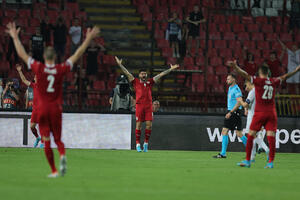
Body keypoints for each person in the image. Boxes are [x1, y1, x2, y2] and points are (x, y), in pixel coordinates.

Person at [5, 21, 100, 177]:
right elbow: (76, 56)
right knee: (58, 139)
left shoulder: (39, 68)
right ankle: (62, 155)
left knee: (46, 140)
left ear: (44, 57)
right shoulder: (60, 69)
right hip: (56, 109)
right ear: (55, 57)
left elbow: (22, 54)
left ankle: (54, 170)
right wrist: (88, 39)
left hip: (42, 109)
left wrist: (15, 37)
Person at [226, 60, 300, 168]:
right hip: (271, 113)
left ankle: (248, 160)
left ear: (260, 73)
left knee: (251, 135)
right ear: (268, 73)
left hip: (260, 112)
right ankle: (270, 162)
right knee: (271, 137)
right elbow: (284, 76)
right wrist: (296, 70)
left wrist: (236, 67)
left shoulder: (258, 82)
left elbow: (245, 74)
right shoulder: (273, 81)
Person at [115, 56, 179, 152]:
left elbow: (161, 75)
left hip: (148, 106)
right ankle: (137, 144)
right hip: (139, 105)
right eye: (142, 74)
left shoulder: (150, 82)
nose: (144, 75)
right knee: (139, 125)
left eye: (145, 74)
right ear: (139, 75)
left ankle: (145, 143)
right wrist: (120, 65)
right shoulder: (135, 81)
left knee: (149, 125)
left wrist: (170, 69)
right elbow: (127, 73)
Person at [213, 73, 248, 158]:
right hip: (234, 112)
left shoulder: (236, 89)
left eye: (228, 79)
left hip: (234, 112)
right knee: (239, 133)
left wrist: (231, 112)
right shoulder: (230, 88)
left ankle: (223, 153)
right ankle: (251, 149)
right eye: (227, 79)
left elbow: (239, 101)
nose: (227, 80)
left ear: (233, 79)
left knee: (225, 131)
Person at [237, 80, 269, 162]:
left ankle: (267, 149)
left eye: (246, 84)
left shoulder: (252, 92)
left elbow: (245, 104)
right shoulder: (259, 90)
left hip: (252, 117)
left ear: (249, 83)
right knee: (254, 136)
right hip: (259, 115)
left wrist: (240, 100)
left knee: (251, 136)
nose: (246, 87)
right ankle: (252, 157)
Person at [16, 64, 43, 148]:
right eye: (35, 77)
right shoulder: (34, 86)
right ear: (34, 79)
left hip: (42, 110)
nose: (36, 78)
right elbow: (24, 80)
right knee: (31, 127)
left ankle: (43, 142)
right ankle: (38, 138)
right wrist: (20, 71)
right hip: (35, 110)